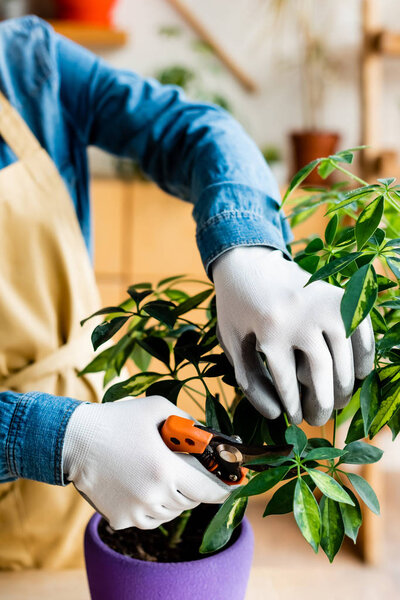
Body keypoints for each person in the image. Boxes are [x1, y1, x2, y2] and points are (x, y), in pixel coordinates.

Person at [0, 16, 374, 570]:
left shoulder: (24, 62)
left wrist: (248, 253)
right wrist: (59, 439)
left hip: (104, 478)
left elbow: (195, 128)